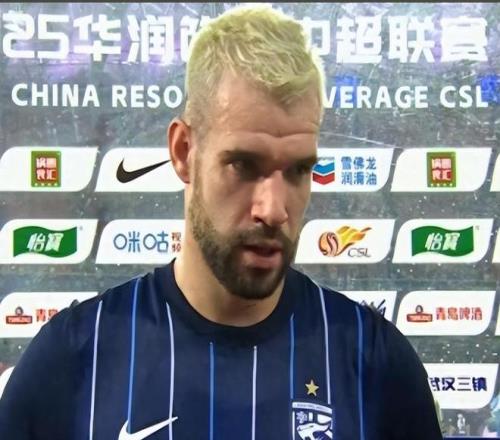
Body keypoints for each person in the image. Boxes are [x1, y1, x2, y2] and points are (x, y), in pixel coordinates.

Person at [0, 5, 442, 439]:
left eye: (298, 170)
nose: (273, 209)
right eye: (243, 165)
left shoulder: (376, 366)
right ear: (183, 152)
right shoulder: (71, 361)